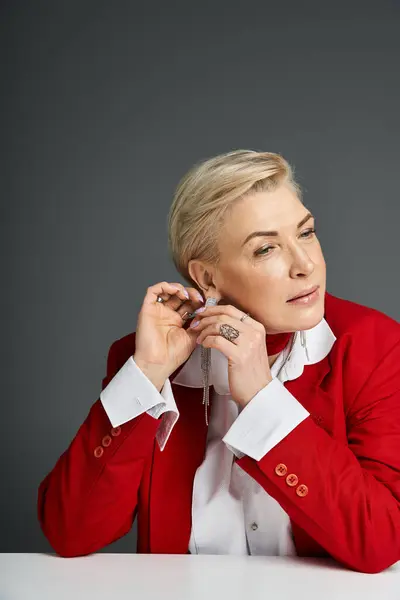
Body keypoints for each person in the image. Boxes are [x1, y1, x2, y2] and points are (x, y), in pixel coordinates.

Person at [37, 149, 400, 573]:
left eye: (306, 233)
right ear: (207, 277)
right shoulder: (147, 357)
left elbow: (381, 538)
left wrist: (263, 400)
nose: (306, 265)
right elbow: (72, 532)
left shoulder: (374, 347)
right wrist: (146, 375)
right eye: (266, 249)